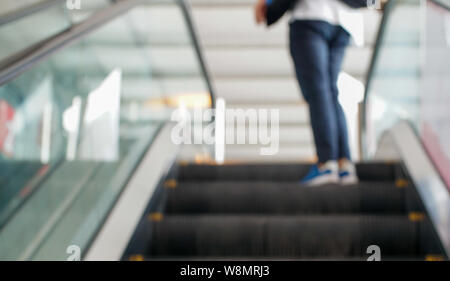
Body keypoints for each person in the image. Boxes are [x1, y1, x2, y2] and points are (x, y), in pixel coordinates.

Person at [255, 0, 360, 185]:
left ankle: (326, 163)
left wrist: (268, 4)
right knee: (329, 90)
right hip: (344, 21)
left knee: (318, 90)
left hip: (311, 17)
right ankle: (344, 165)